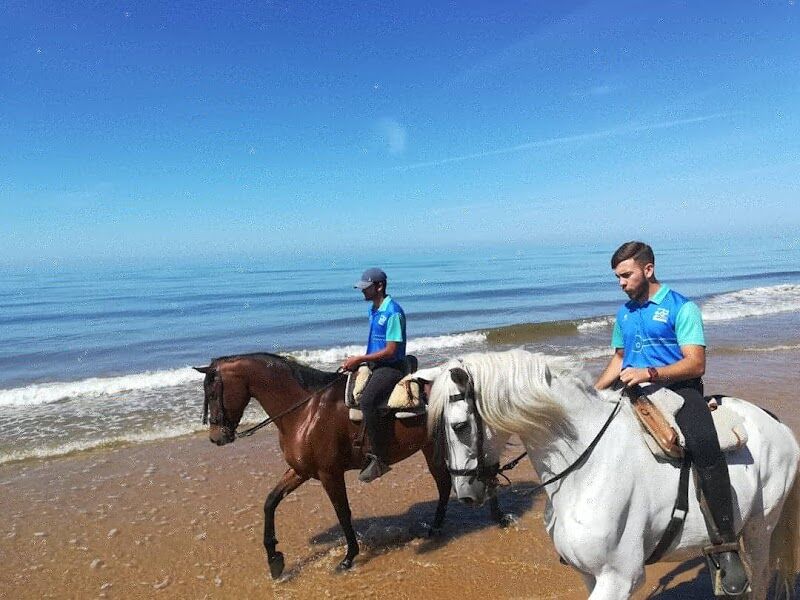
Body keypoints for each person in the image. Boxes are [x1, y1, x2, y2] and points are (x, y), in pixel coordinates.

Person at [595, 241, 748, 597]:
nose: (621, 283)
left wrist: (650, 372)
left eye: (626, 275)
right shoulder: (624, 313)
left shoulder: (682, 308)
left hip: (679, 392)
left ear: (648, 269)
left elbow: (696, 363)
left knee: (705, 446)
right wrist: (594, 391)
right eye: (617, 277)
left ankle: (727, 547)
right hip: (632, 390)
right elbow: (619, 358)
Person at [341, 268, 407, 483]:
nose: (362, 291)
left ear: (379, 287)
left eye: (366, 287)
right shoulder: (374, 309)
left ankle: (380, 457)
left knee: (368, 401)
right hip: (375, 363)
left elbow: (390, 350)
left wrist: (360, 358)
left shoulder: (393, 312)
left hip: (391, 367)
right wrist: (360, 361)